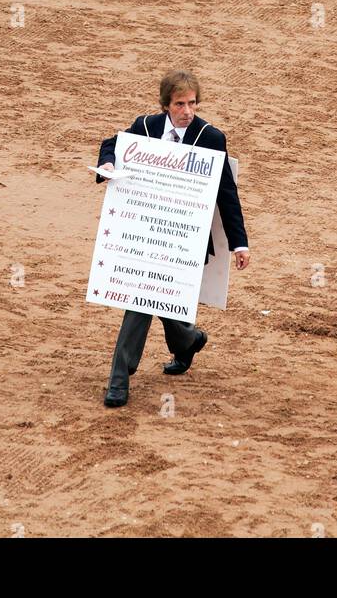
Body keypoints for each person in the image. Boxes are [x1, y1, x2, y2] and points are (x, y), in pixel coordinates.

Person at [95, 68, 250, 407]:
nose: (188, 111)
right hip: (146, 234)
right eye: (180, 104)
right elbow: (111, 144)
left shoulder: (210, 137)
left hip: (186, 238)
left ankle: (167, 351)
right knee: (144, 297)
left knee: (150, 298)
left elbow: (227, 193)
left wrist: (240, 242)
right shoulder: (146, 127)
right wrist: (107, 164)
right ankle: (130, 374)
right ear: (166, 105)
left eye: (192, 103)